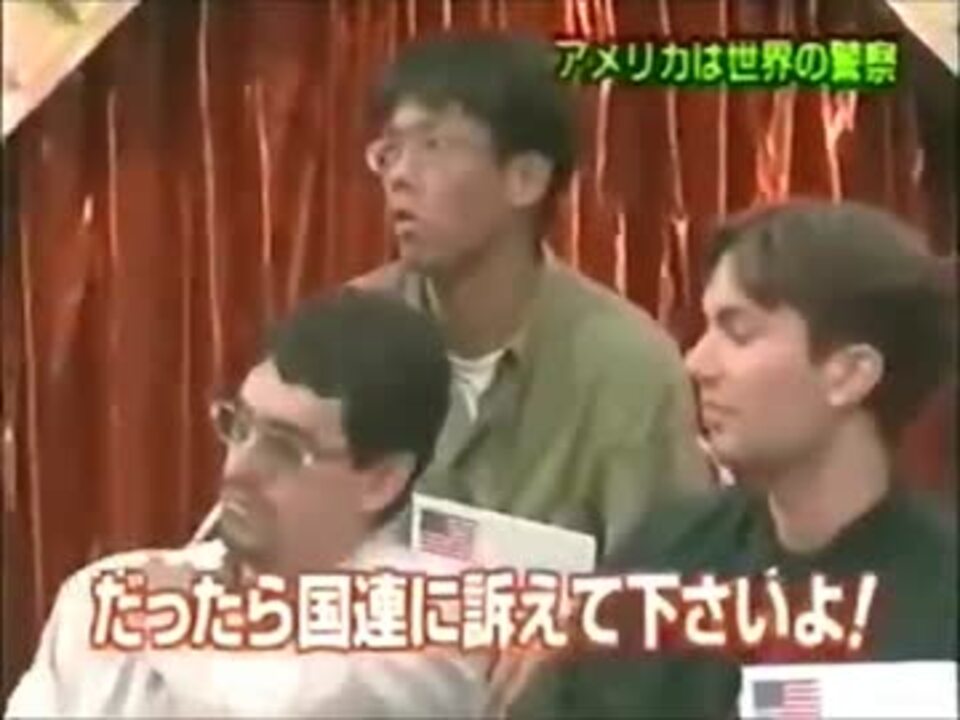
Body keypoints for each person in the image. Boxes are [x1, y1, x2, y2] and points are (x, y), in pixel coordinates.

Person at [508, 199, 958, 717]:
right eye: (706, 329)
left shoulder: (941, 605)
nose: (697, 363)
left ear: (850, 374)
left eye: (738, 333)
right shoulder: (664, 555)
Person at [6, 289, 489, 717]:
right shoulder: (101, 593)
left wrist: (168, 619)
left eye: (284, 448)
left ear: (380, 481)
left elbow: (281, 704)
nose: (238, 468)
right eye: (240, 426)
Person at [352, 30, 711, 560]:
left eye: (432, 146)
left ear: (525, 178)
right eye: (390, 152)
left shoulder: (628, 367)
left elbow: (667, 584)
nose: (400, 175)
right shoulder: (344, 341)